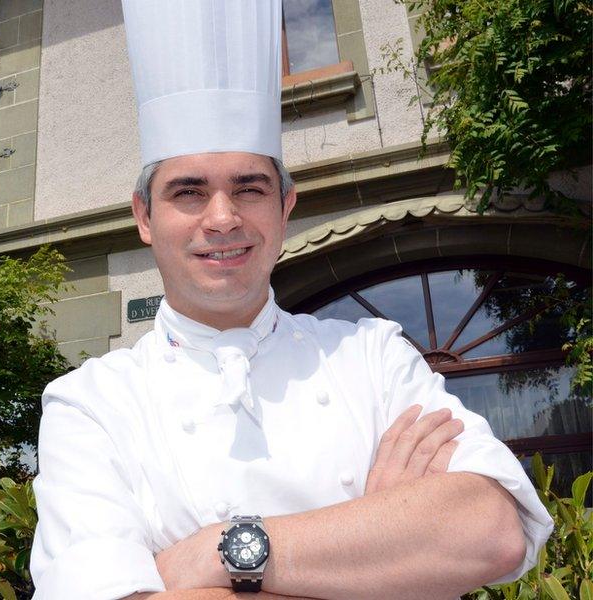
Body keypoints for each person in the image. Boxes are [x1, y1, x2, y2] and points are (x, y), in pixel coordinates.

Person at [29, 2, 553, 599]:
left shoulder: (371, 355)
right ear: (144, 216)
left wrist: (214, 553)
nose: (222, 219)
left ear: (285, 207)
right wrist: (378, 547)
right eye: (189, 193)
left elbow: (492, 530)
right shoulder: (91, 403)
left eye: (249, 189)